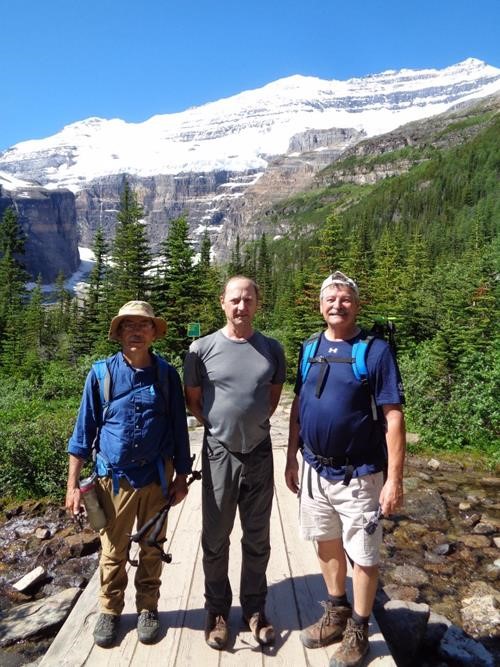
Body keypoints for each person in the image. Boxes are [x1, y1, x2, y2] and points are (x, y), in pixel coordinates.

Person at [285, 271, 405, 667]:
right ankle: (336, 610)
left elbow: (393, 417)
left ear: (357, 303)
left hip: (360, 474)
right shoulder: (308, 347)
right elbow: (299, 407)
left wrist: (394, 481)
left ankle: (359, 626)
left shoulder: (375, 351)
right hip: (314, 470)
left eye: (345, 298)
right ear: (320, 305)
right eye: (330, 298)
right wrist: (290, 457)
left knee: (365, 554)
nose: (337, 304)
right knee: (325, 542)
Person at [66, 301, 192, 648]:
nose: (136, 331)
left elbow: (180, 431)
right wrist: (72, 486)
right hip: (113, 480)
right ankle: (109, 611)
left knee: (152, 546)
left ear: (154, 332)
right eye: (128, 326)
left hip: (157, 479)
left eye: (143, 325)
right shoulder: (101, 374)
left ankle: (148, 608)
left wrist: (182, 476)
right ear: (119, 333)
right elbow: (82, 434)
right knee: (112, 550)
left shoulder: (167, 376)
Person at [183, 276, 286, 650]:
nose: (241, 306)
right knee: (215, 537)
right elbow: (192, 399)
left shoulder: (272, 350)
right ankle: (218, 611)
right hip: (219, 452)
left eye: (248, 299)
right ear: (222, 303)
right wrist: (216, 425)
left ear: (258, 303)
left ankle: (255, 609)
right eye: (234, 300)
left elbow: (272, 397)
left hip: (259, 451)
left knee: (257, 537)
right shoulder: (201, 348)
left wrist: (252, 423)